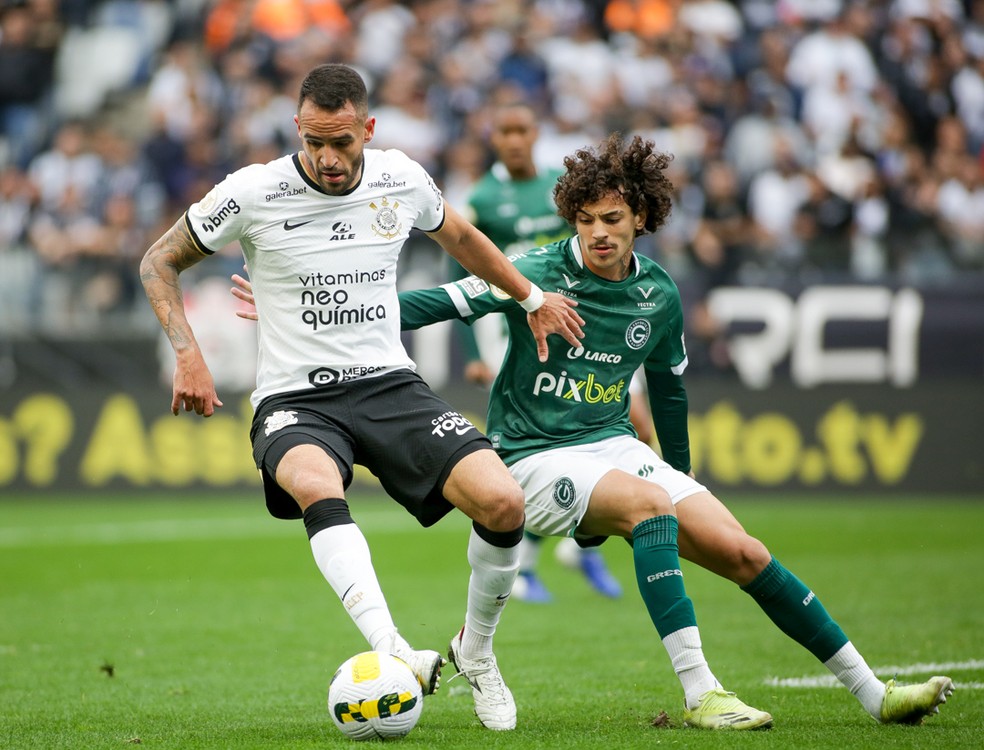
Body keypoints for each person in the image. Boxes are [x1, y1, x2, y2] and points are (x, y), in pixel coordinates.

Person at [396, 132, 955, 729]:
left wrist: (680, 472)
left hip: (613, 445)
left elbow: (667, 388)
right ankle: (701, 694)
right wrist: (347, 316)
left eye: (612, 218)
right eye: (584, 220)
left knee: (745, 552)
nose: (598, 233)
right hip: (532, 454)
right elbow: (434, 303)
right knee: (648, 506)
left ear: (642, 216)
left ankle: (877, 695)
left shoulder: (657, 294)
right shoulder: (534, 273)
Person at [140, 62, 585, 733]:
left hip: (389, 386)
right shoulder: (252, 191)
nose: (326, 157)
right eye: (313, 140)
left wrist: (531, 298)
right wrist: (188, 354)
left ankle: (478, 654)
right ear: (297, 127)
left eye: (342, 142)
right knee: (317, 484)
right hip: (296, 399)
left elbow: (461, 239)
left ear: (368, 129)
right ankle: (394, 649)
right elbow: (158, 260)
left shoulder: (400, 178)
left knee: (502, 503)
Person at [452, 100, 627, 603]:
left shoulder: (560, 186)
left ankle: (582, 541)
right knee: (540, 441)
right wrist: (472, 348)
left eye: (521, 129)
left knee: (632, 422)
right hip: (516, 332)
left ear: (536, 132)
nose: (512, 140)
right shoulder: (481, 198)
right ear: (493, 138)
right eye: (503, 130)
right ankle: (530, 561)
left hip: (583, 326)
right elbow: (457, 273)